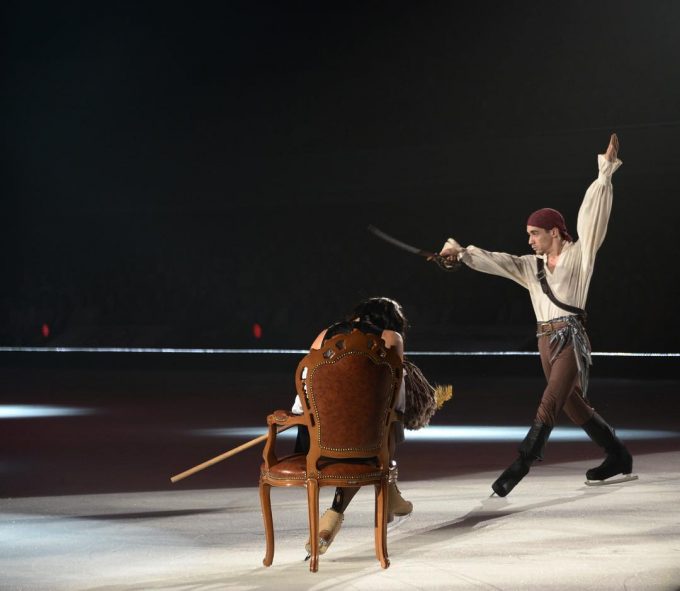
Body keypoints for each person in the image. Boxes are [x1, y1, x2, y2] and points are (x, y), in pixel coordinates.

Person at [439, 133, 635, 496]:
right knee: (573, 406)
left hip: (570, 338)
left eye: (534, 233)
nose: (529, 240)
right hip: (544, 340)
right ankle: (618, 455)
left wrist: (605, 172)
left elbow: (593, 219)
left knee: (550, 401)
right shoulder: (532, 266)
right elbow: (498, 261)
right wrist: (461, 254)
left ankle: (522, 462)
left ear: (554, 232)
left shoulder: (580, 256)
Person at [291, 297, 414, 555]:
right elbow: (394, 395)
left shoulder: (326, 334)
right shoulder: (391, 337)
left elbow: (305, 382)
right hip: (362, 438)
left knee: (370, 431)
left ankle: (391, 494)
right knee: (383, 428)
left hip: (315, 436)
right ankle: (338, 512)